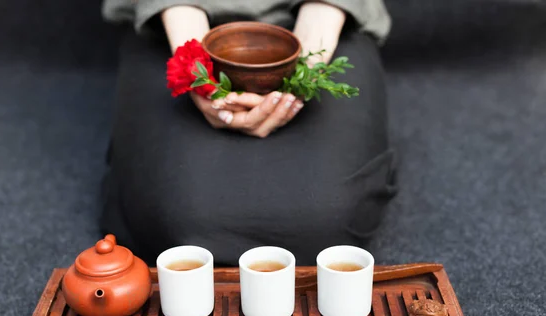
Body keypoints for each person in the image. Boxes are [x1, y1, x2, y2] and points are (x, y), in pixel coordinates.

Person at [100, 0, 398, 265]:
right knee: (177, 223)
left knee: (328, 219)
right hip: (172, 19)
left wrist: (306, 67)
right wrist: (195, 67)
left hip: (329, 18)